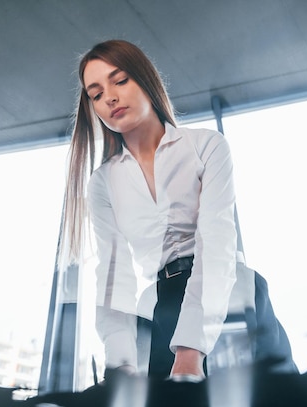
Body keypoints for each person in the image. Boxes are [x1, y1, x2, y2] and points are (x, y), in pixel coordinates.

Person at [61, 39, 239, 381]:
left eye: (120, 80)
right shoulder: (103, 182)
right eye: (96, 94)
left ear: (146, 79)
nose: (109, 97)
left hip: (230, 295)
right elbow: (113, 274)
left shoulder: (206, 145)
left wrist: (189, 353)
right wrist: (121, 362)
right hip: (162, 308)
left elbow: (217, 241)